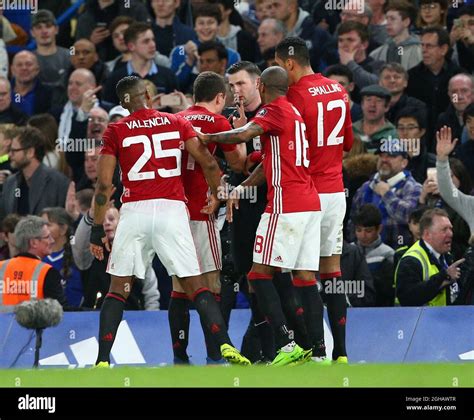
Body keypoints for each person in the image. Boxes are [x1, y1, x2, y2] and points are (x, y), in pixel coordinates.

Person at [90, 75, 249, 367]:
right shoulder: (175, 121)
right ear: (148, 96)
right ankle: (224, 346)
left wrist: (96, 228)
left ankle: (101, 360)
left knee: (118, 289)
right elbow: (209, 162)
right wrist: (218, 194)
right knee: (196, 286)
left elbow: (103, 187)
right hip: (172, 211)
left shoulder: (116, 130)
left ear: (123, 105)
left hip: (135, 210)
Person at [197, 66, 321, 366]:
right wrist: (240, 188)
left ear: (261, 85)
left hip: (284, 204)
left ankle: (286, 343)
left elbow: (243, 133)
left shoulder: (273, 110)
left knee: (257, 274)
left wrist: (203, 135)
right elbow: (267, 164)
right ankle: (318, 352)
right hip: (310, 204)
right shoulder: (292, 112)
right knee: (303, 279)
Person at [275, 36, 354, 363]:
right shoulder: (338, 90)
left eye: (280, 67)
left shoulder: (293, 96)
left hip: (307, 193)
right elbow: (348, 143)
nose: (280, 74)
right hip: (336, 192)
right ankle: (342, 353)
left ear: (290, 62)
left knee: (303, 275)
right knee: (332, 272)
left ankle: (317, 352)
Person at [170, 71, 246, 364]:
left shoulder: (177, 119)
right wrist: (240, 133)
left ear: (193, 96)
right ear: (220, 98)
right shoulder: (219, 122)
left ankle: (180, 358)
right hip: (202, 213)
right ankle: (215, 355)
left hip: (176, 213)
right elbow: (238, 162)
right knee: (212, 285)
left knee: (179, 286)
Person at [348, 138, 422, 249]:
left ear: (404, 162)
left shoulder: (413, 187)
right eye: (381, 156)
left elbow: (408, 217)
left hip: (399, 252)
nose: (384, 160)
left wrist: (387, 195)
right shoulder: (366, 187)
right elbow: (352, 222)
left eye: (391, 156)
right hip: (363, 253)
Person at [395, 208, 465, 306]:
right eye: (444, 229)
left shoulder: (446, 255)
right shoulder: (410, 261)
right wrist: (443, 277)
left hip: (444, 319)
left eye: (450, 228)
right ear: (428, 234)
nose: (450, 234)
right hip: (421, 321)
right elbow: (407, 298)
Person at [0, 127, 70, 221]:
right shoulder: (10, 183)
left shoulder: (58, 183)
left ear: (30, 152)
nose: (9, 155)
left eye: (14, 151)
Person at [0, 215, 67, 311]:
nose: (52, 241)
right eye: (47, 237)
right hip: (33, 326)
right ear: (34, 243)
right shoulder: (47, 272)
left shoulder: (1, 267)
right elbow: (62, 313)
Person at [103, 22, 178, 105]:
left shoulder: (168, 75)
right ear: (131, 46)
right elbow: (110, 111)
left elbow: (176, 108)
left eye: (153, 40)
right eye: (146, 41)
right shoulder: (115, 79)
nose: (152, 45)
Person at [40, 207, 84, 308]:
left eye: (48, 225)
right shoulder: (39, 258)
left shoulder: (77, 255)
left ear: (63, 229)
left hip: (75, 315)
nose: (43, 229)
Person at [353, 204, 395, 306]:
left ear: (379, 229)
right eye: (358, 230)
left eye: (368, 231)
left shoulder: (388, 254)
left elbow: (389, 292)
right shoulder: (348, 252)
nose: (363, 235)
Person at [369, 0, 421, 71]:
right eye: (387, 19)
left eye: (392, 19)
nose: (388, 23)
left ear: (406, 22)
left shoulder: (420, 52)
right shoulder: (376, 54)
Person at [353, 84, 398, 153]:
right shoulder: (350, 130)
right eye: (368, 100)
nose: (372, 104)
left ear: (387, 107)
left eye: (378, 101)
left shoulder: (394, 134)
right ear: (362, 104)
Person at [31, 9, 71, 89]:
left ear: (56, 30)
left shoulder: (69, 57)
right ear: (32, 32)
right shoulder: (27, 60)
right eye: (39, 27)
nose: (44, 31)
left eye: (48, 26)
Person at [10, 51, 52, 116]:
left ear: (37, 69)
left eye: (29, 64)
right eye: (19, 65)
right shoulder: (3, 91)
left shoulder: (50, 94)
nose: (24, 68)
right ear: (12, 70)